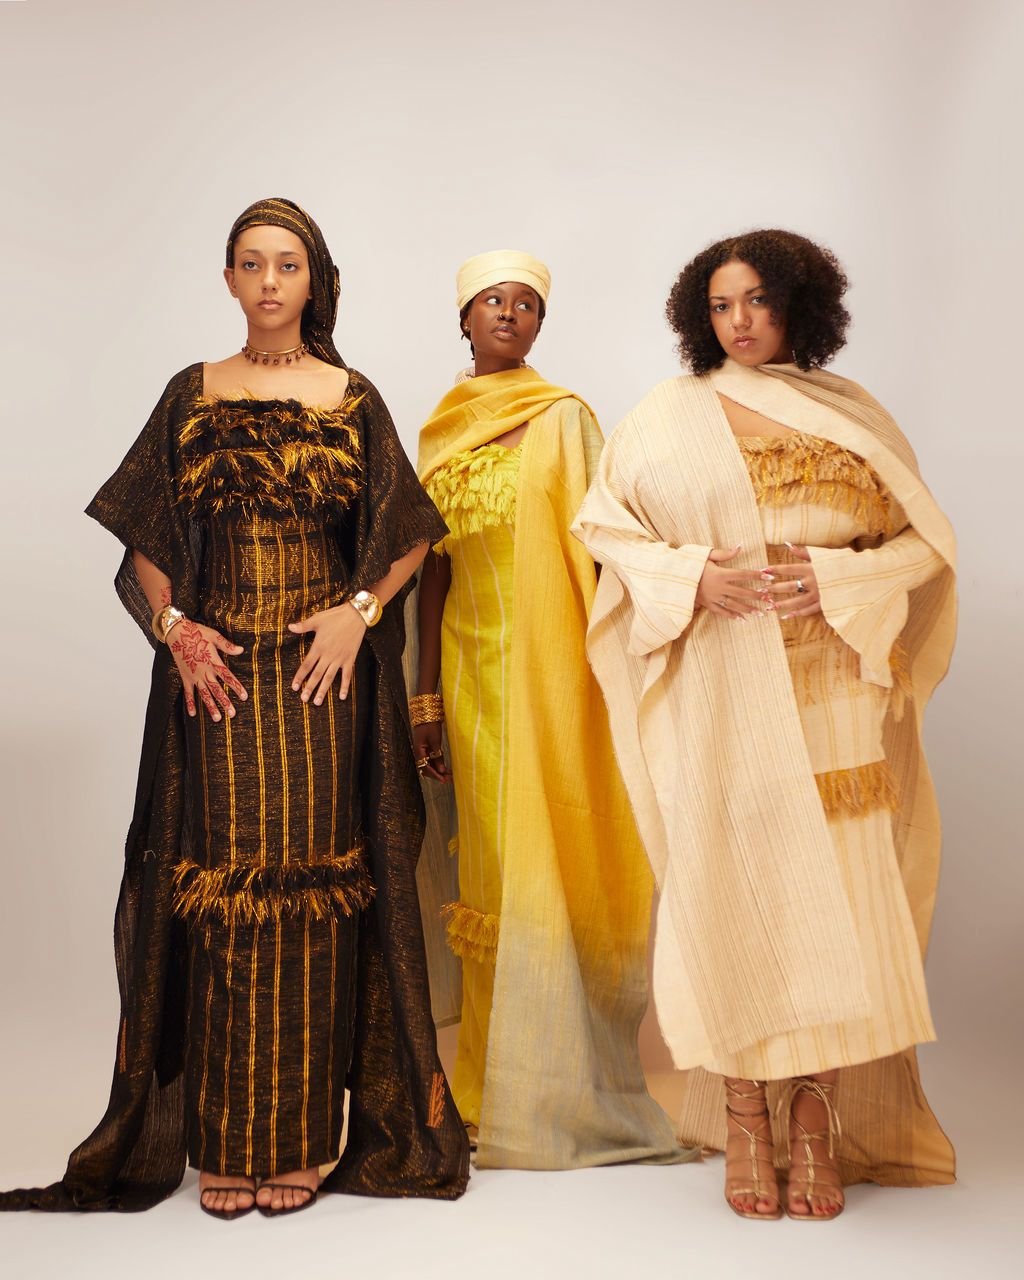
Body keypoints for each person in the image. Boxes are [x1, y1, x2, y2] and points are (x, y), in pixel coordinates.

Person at [0, 198, 468, 1219]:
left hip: (322, 682)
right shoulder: (190, 392)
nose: (268, 282)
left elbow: (408, 535)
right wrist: (177, 632)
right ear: (227, 279)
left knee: (320, 894)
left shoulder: (352, 397)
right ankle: (229, 1142)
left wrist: (356, 615)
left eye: (286, 264)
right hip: (217, 683)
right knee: (215, 897)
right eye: (251, 264)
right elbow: (147, 541)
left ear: (313, 281)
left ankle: (297, 1142)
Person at [573, 229, 956, 1220]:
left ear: (798, 304)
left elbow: (924, 543)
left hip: (830, 693)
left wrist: (834, 579)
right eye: (719, 305)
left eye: (755, 300)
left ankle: (815, 1120)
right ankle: (746, 1115)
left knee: (834, 898)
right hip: (717, 685)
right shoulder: (668, 412)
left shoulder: (851, 414)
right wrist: (690, 577)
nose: (738, 321)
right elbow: (602, 526)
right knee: (729, 888)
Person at [412, 250, 688, 1170]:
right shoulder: (441, 431)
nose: (509, 313)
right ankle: (488, 1084)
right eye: (492, 300)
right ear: (464, 318)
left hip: (557, 669)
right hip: (469, 676)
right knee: (489, 867)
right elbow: (430, 570)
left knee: (554, 857)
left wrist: (629, 662)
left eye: (526, 303)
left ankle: (555, 1083)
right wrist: (423, 695)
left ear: (540, 324)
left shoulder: (566, 419)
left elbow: (607, 546)